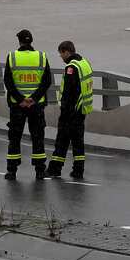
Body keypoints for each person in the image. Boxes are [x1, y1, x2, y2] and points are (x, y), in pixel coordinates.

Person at [3, 29, 53, 180]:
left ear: (19, 41)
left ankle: (12, 171)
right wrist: (34, 98)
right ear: (31, 41)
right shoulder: (41, 57)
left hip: (17, 106)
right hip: (36, 106)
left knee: (15, 137)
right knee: (37, 137)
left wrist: (20, 100)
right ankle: (39, 170)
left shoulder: (12, 57)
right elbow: (47, 81)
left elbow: (8, 81)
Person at [46, 40, 93, 179]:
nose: (61, 57)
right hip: (82, 109)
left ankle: (55, 169)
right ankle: (78, 170)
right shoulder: (84, 63)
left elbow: (68, 92)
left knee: (62, 140)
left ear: (66, 51)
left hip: (71, 110)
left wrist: (64, 111)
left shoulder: (71, 67)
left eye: (61, 54)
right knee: (78, 141)